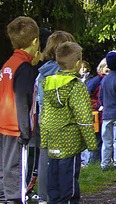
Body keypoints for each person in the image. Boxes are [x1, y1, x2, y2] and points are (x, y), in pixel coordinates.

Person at [41, 41, 98, 203]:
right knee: (69, 179)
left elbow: (44, 116)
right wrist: (91, 143)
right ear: (79, 63)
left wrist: (45, 141)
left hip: (53, 140)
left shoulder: (49, 84)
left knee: (54, 178)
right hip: (70, 141)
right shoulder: (76, 86)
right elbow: (83, 117)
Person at [0, 16, 40, 203]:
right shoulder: (24, 68)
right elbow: (21, 99)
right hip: (16, 126)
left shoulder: (8, 64)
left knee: (5, 168)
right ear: (35, 41)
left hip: (3, 124)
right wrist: (25, 130)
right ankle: (14, 199)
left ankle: (4, 197)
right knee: (16, 169)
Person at [34, 30, 75, 202]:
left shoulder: (41, 74)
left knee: (45, 161)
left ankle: (44, 196)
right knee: (66, 164)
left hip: (45, 122)